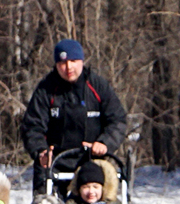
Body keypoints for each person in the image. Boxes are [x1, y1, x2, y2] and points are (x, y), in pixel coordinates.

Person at [19, 39, 128, 192]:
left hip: (91, 163)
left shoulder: (98, 86)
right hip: (54, 163)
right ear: (56, 65)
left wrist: (105, 143)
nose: (68, 67)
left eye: (73, 61)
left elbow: (117, 119)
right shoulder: (46, 89)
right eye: (62, 63)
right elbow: (32, 125)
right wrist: (40, 150)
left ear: (81, 61)